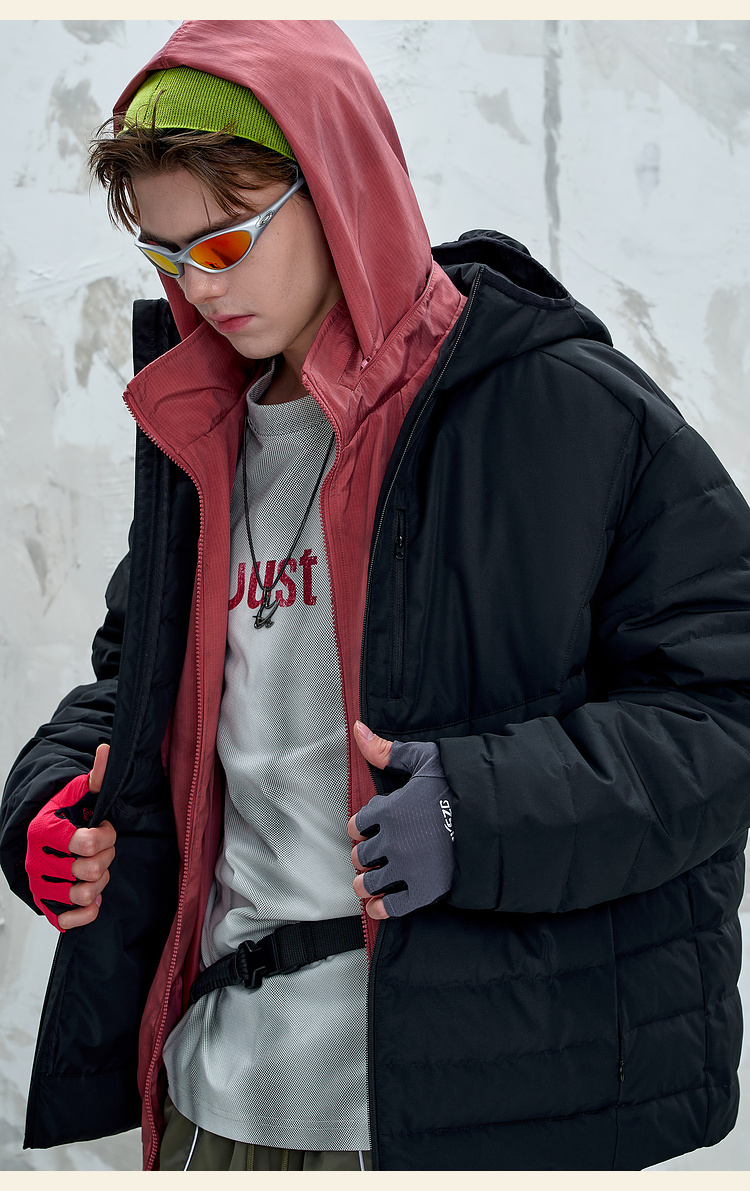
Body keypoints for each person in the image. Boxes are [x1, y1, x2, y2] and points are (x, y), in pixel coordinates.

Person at [1, 19, 750, 1173]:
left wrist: (478, 812)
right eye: (166, 252)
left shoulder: (565, 412)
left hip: (462, 1113)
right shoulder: (204, 445)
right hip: (217, 1100)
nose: (201, 284)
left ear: (339, 184)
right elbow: (138, 689)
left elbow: (723, 709)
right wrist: (49, 798)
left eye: (228, 240)